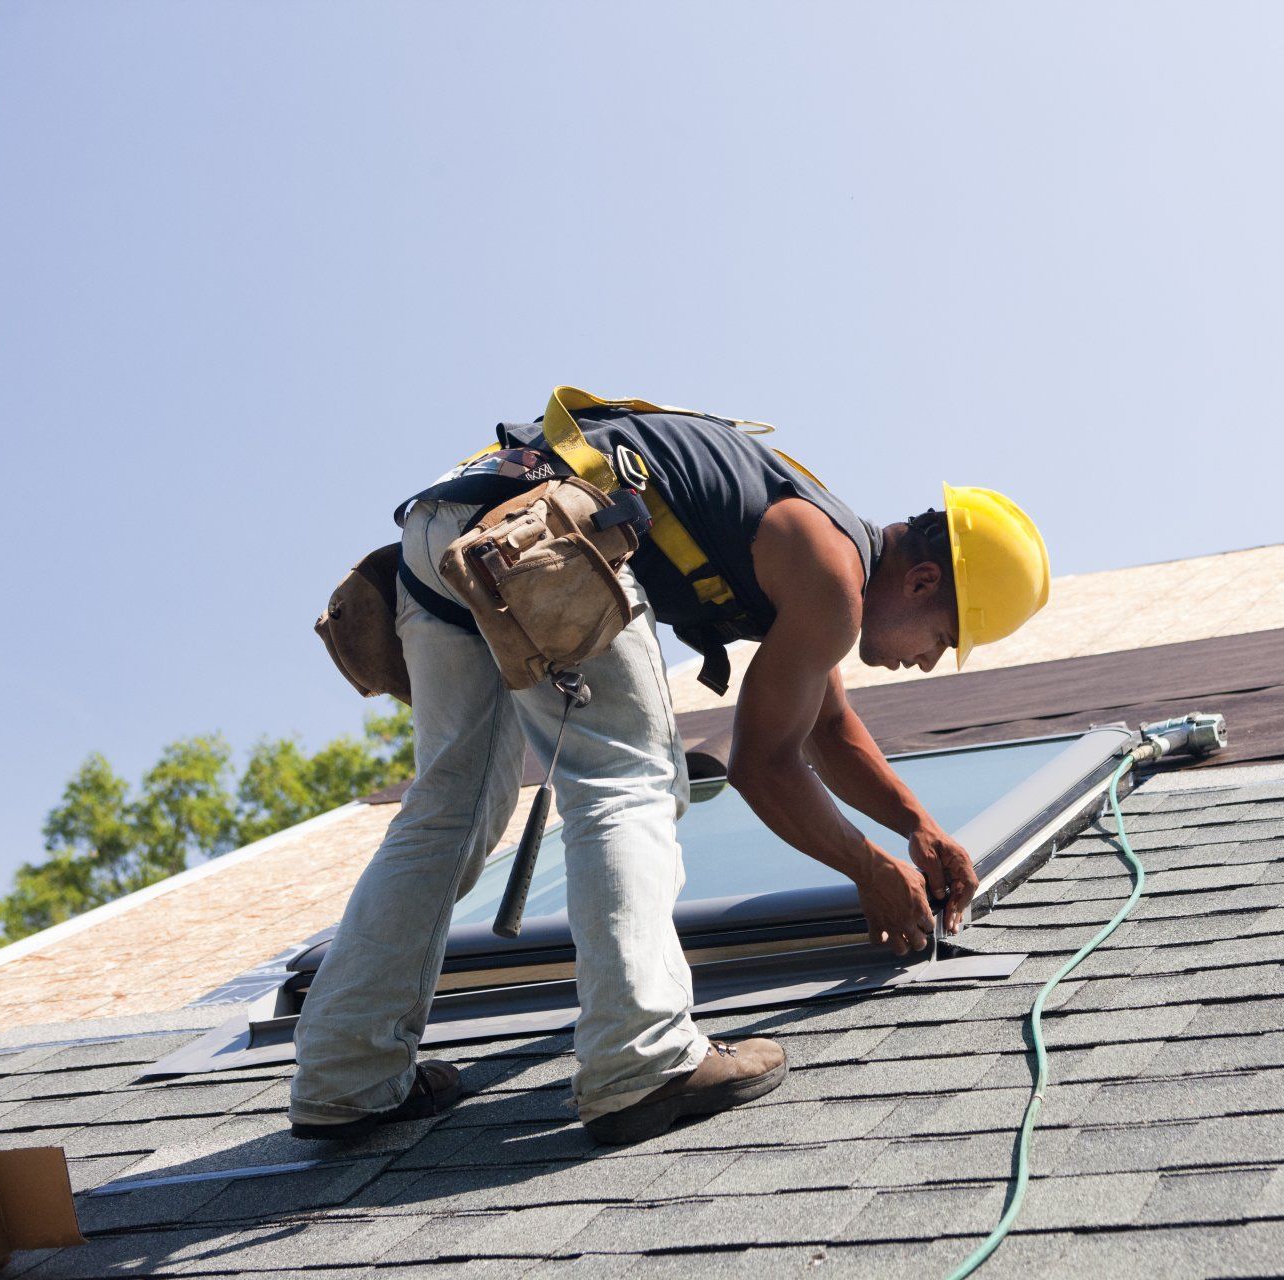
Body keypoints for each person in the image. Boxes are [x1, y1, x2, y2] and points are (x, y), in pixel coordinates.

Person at [288, 390, 1051, 1145]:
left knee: (450, 811)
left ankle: (346, 1076)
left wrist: (918, 827)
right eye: (943, 637)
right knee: (628, 778)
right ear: (921, 584)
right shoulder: (831, 576)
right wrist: (869, 869)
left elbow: (827, 724)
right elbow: (764, 764)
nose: (926, 663)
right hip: (542, 535)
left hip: (450, 530)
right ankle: (641, 1060)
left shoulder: (822, 545)